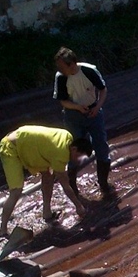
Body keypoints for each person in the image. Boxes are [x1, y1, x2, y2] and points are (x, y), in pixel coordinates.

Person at [0, 125, 93, 237]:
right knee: (16, 191)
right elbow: (65, 185)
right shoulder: (60, 153)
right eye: (79, 156)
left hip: (29, 145)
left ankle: (46, 212)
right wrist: (78, 206)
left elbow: (45, 145)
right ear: (74, 149)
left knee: (48, 175)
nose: (78, 160)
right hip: (10, 147)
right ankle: (3, 230)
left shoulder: (67, 137)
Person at [53, 47, 112, 197]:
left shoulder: (89, 71)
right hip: (73, 115)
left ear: (72, 63)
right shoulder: (60, 77)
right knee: (74, 150)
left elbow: (103, 90)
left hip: (94, 112)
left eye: (62, 66)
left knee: (101, 146)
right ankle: (72, 186)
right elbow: (63, 101)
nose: (60, 69)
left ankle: (104, 184)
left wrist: (98, 107)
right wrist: (78, 107)